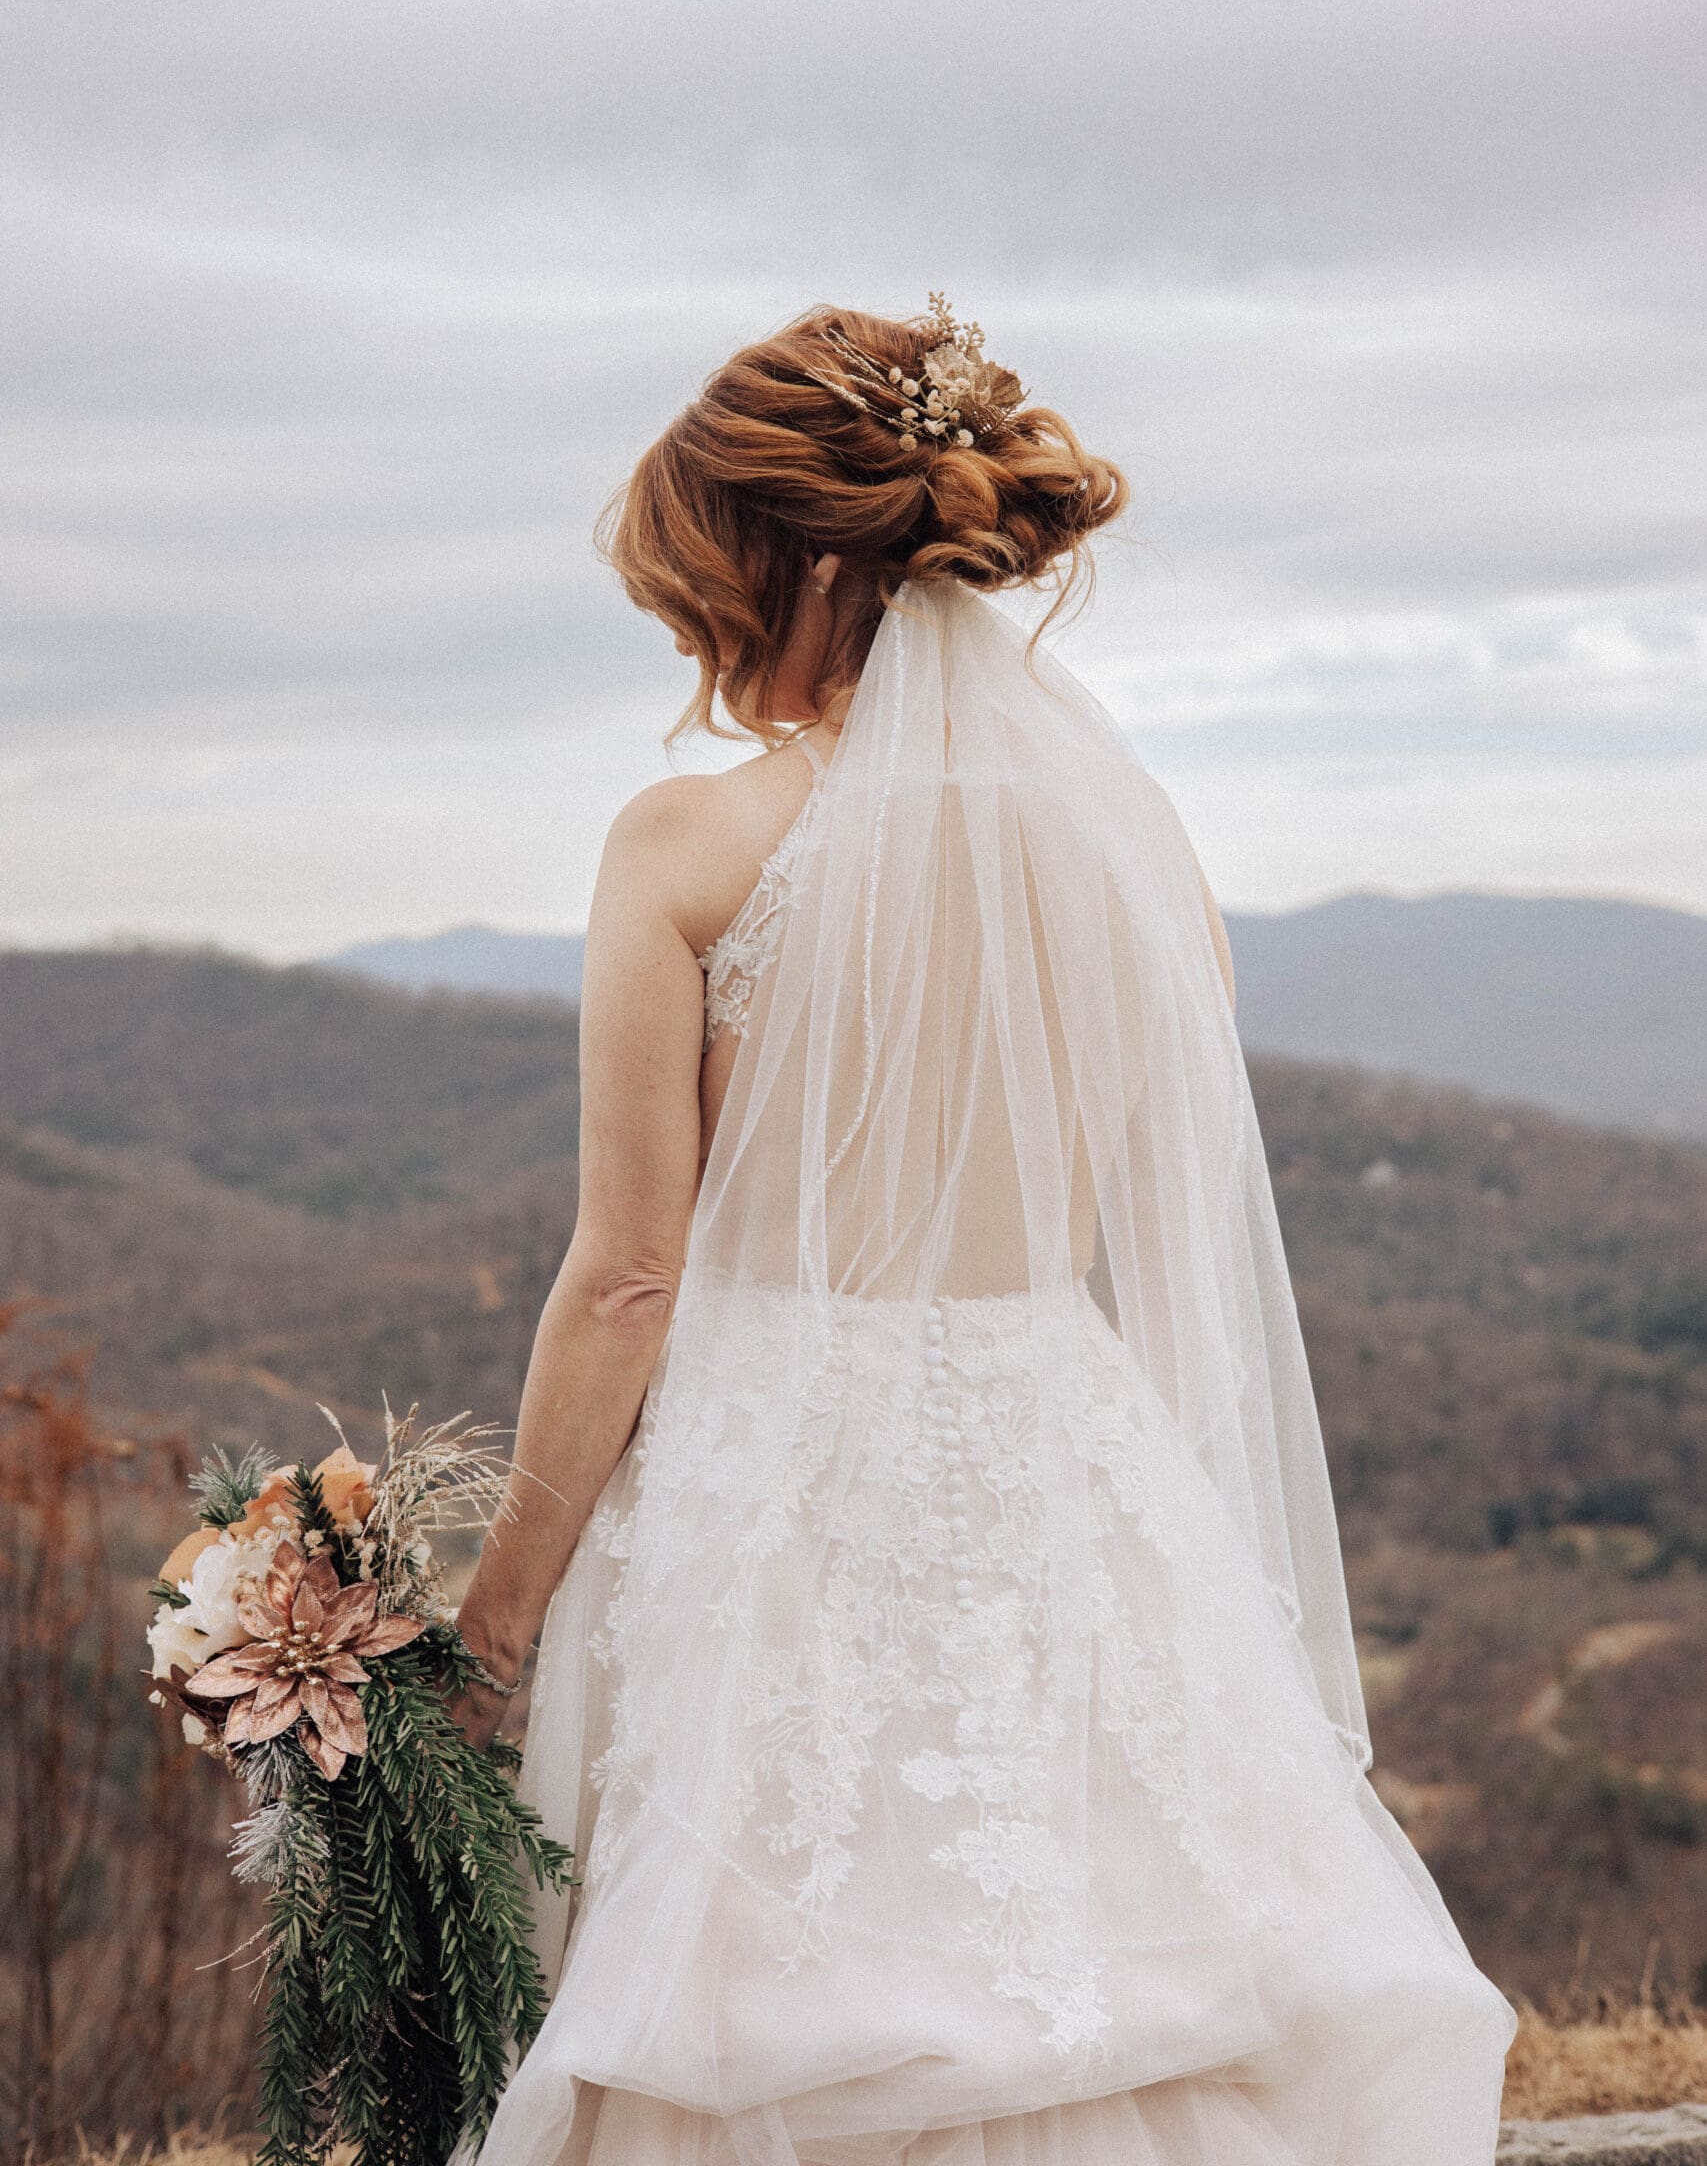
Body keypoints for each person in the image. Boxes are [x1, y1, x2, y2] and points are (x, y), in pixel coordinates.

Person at [451, 300, 1516, 2166]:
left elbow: (629, 1279)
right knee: (1125, 1963)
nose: (694, 636)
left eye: (698, 584)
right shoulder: (1138, 844)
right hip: (1061, 1456)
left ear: (776, 563)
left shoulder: (686, 847)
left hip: (768, 1484)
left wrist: (494, 1622)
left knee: (756, 2000)